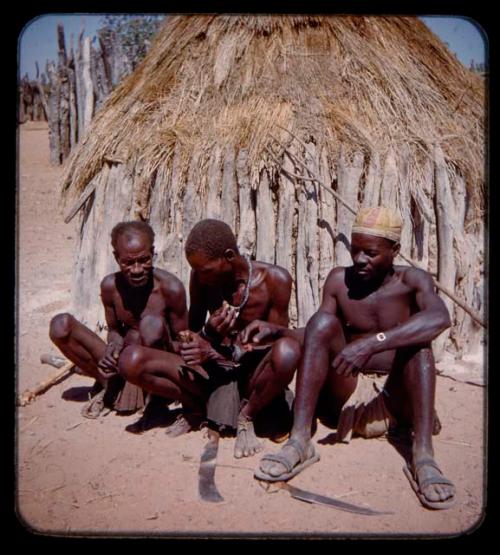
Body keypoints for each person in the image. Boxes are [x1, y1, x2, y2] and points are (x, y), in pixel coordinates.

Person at [252, 206, 456, 510]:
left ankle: (423, 455)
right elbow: (317, 336)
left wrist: (374, 343)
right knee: (320, 322)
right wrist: (278, 331)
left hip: (394, 398)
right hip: (346, 397)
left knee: (419, 344)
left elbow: (440, 317)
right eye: (355, 250)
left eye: (370, 253)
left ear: (394, 250)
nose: (360, 259)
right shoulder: (339, 281)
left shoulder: (413, 281)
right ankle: (299, 441)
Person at [118, 219, 300, 458]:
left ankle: (247, 415)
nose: (201, 278)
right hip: (211, 374)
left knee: (287, 351)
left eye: (206, 271)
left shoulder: (275, 281)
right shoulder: (201, 278)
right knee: (131, 360)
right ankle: (196, 409)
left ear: (228, 256)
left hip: (251, 377)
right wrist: (205, 337)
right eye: (197, 272)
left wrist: (223, 352)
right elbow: (191, 333)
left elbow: (275, 342)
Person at [49, 221, 188, 420]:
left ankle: (156, 398)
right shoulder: (110, 287)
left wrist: (150, 346)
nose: (137, 269)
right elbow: (114, 330)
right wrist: (112, 348)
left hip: (155, 368)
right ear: (116, 258)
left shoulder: (171, 289)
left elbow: (182, 345)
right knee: (60, 326)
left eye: (144, 260)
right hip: (122, 361)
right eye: (128, 263)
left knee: (152, 326)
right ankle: (109, 385)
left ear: (153, 253)